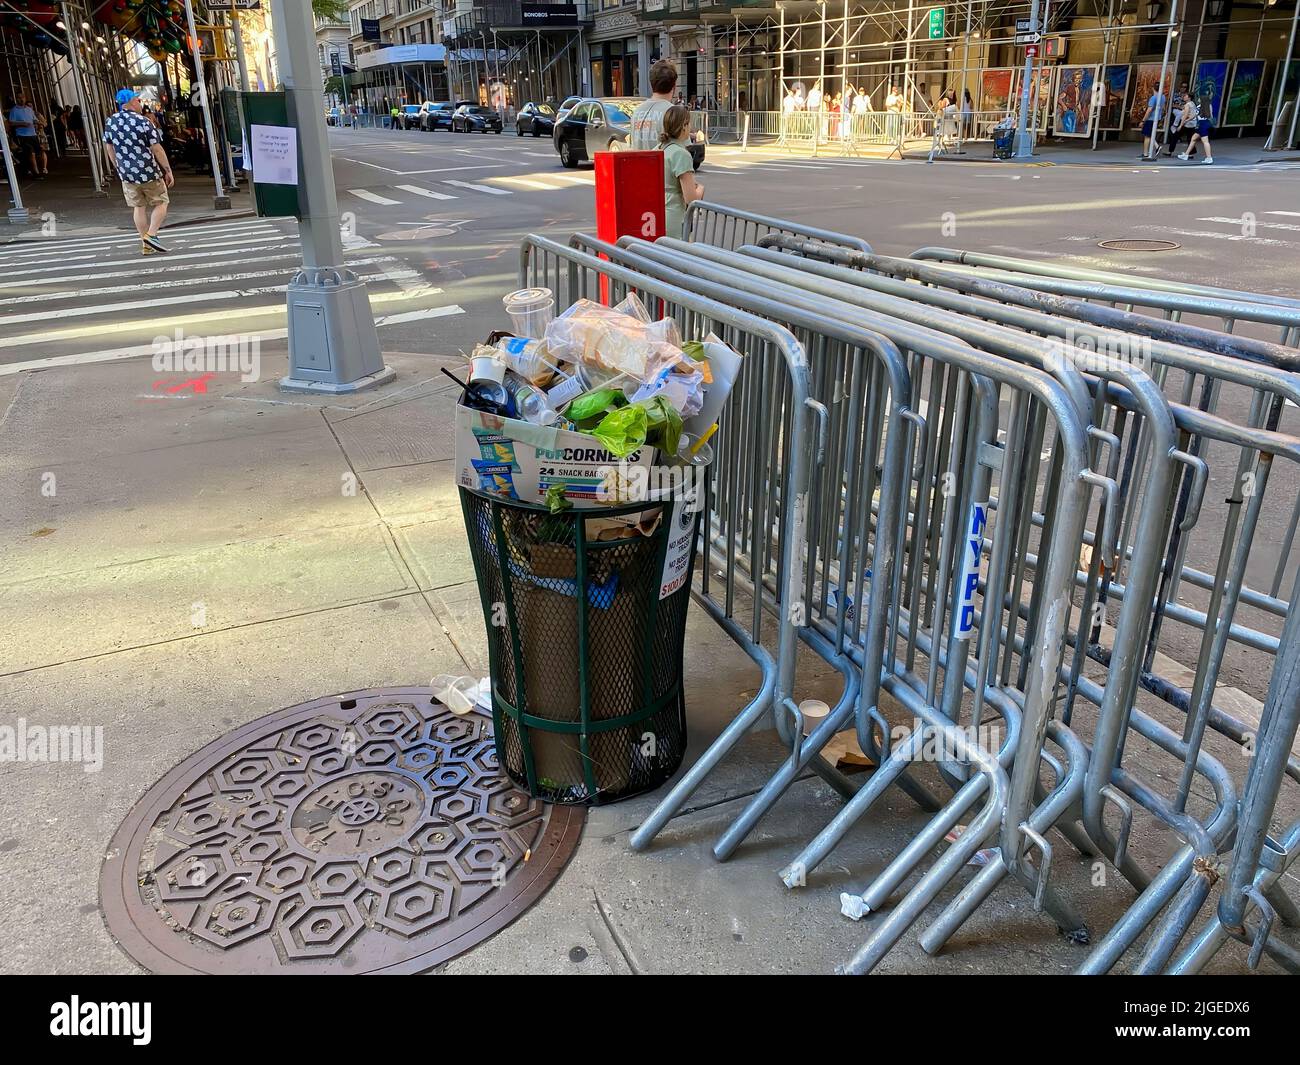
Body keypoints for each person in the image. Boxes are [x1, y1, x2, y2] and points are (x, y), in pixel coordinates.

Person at [101, 89, 174, 255]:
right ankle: (152, 235)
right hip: (148, 170)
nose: (140, 104)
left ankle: (145, 244)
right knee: (161, 202)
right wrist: (167, 170)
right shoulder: (143, 121)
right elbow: (156, 148)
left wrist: (118, 167)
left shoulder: (111, 121)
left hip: (127, 174)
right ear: (132, 101)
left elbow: (109, 147)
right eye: (137, 100)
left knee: (138, 207)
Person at [658, 104, 703, 240]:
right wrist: (700, 188)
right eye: (689, 124)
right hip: (675, 218)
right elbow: (691, 198)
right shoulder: (681, 154)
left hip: (657, 215)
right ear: (684, 126)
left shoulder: (659, 148)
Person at [630, 59, 678, 150]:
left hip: (640, 163)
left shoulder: (636, 112)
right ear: (674, 85)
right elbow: (684, 151)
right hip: (663, 164)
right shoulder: (674, 113)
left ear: (651, 83)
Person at [6, 93, 43, 178]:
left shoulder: (29, 109)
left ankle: (30, 169)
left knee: (37, 152)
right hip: (22, 135)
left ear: (25, 98)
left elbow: (34, 119)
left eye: (23, 97)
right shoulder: (14, 110)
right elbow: (11, 123)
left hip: (32, 134)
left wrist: (38, 123)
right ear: (16, 99)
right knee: (31, 152)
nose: (21, 99)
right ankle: (36, 173)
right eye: (19, 98)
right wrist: (22, 123)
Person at [1180, 93, 1215, 164]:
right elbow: (1209, 115)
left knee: (1205, 141)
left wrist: (1186, 120)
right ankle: (1186, 155)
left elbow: (1195, 115)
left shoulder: (1202, 106)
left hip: (1202, 124)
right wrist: (1187, 120)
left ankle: (1209, 158)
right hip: (1203, 124)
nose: (1198, 99)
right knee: (1193, 139)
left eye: (1200, 98)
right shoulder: (1206, 106)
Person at [1140, 83, 1167, 159]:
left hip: (1151, 118)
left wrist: (1143, 120)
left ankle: (1146, 153)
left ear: (1153, 88)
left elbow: (1149, 110)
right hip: (1157, 117)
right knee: (1150, 133)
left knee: (1147, 135)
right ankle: (1157, 146)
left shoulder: (1153, 98)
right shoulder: (1163, 97)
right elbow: (1164, 108)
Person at [1165, 93, 1197, 157]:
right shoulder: (1192, 103)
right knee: (1190, 138)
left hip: (1186, 124)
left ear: (1189, 97)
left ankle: (1170, 151)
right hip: (1192, 124)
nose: (1184, 97)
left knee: (1175, 136)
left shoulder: (1187, 105)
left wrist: (1180, 125)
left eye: (1185, 96)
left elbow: (1185, 115)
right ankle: (1191, 152)